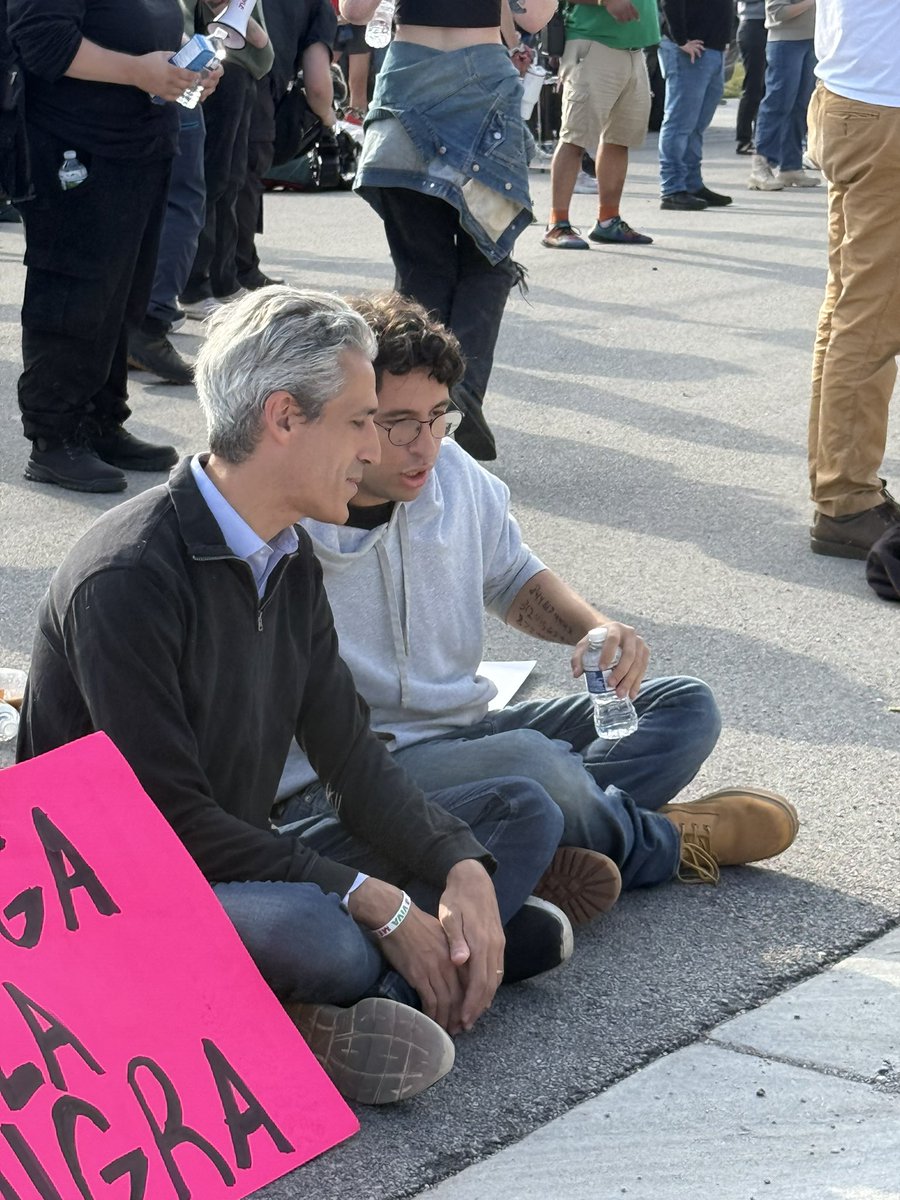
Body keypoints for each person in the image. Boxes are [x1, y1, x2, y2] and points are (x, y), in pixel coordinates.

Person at [16, 287, 602, 1106]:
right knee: (323, 934)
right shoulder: (128, 575)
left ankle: (386, 999)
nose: (374, 449)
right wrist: (378, 901)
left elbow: (353, 757)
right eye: (362, 420)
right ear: (285, 417)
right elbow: (166, 825)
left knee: (515, 816)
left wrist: (454, 862)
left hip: (242, 855)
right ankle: (376, 992)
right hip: (126, 896)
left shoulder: (283, 553)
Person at [277, 293, 800, 901]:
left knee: (684, 707)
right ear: (356, 416)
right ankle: (660, 845)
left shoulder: (451, 469)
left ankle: (546, 835)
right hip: (349, 771)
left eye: (440, 416)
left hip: (463, 732)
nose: (425, 445)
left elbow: (512, 576)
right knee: (537, 765)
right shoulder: (296, 513)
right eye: (398, 424)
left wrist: (593, 629)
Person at [7, 0, 218, 494]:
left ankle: (101, 421)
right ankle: (54, 437)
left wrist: (192, 69)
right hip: (74, 146)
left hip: (139, 142)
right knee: (73, 292)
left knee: (121, 293)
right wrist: (139, 72)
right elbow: (42, 41)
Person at [341, 0, 557, 462]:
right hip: (482, 89)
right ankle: (460, 392)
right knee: (489, 260)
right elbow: (533, 16)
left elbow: (356, 12)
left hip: (407, 89)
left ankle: (409, 417)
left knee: (422, 267)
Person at [806, 0, 900, 558]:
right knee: (869, 319)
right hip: (881, 107)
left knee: (850, 311)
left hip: (858, 99)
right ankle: (845, 498)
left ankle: (841, 489)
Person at [542, 0, 658, 250]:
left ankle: (608, 221)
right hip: (593, 44)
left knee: (619, 139)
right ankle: (557, 224)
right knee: (574, 139)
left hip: (633, 50)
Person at [657, 0, 735, 210]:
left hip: (712, 49)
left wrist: (724, 40)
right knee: (679, 124)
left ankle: (692, 184)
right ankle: (672, 189)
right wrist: (680, 38)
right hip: (688, 49)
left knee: (696, 125)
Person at [747, 0, 820, 191]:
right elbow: (777, 12)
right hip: (785, 42)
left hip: (813, 40)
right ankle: (761, 165)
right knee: (778, 103)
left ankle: (791, 166)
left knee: (801, 106)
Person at [735, 0, 767, 155]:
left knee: (767, 87)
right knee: (753, 86)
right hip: (753, 25)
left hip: (772, 25)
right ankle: (744, 139)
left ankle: (763, 137)